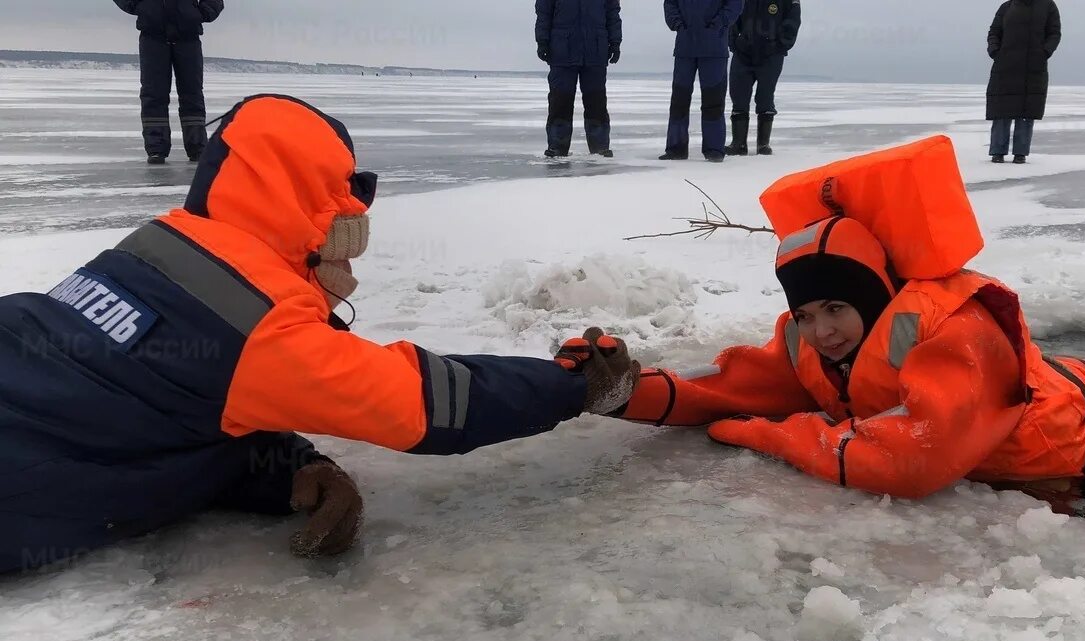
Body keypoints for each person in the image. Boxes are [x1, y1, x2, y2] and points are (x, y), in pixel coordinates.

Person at [0, 94, 641, 574]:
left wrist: (289, 469)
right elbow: (424, 403)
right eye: (342, 247)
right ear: (315, 223)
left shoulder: (161, 248)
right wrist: (573, 384)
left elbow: (169, 406)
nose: (347, 272)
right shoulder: (257, 323)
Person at [574, 136, 1085, 499]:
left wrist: (778, 437)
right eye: (808, 312)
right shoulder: (809, 343)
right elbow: (734, 388)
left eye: (838, 308)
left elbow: (914, 460)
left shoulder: (952, 333)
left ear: (877, 300)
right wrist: (629, 392)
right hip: (1072, 390)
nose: (822, 330)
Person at [113, 0, 224, 164]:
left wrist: (201, 13)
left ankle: (197, 147)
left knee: (192, 93)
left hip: (188, 36)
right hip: (153, 36)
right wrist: (140, 7)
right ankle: (156, 148)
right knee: (153, 93)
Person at [535, 0, 623, 158]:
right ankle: (557, 147)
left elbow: (613, 13)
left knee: (596, 102)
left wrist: (615, 42)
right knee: (560, 101)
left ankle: (600, 147)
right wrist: (543, 41)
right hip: (562, 50)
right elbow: (543, 12)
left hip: (595, 51)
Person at [661, 0, 745, 163]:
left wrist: (719, 23)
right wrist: (677, 23)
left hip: (714, 48)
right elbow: (670, 4)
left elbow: (735, 5)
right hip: (685, 47)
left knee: (713, 101)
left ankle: (714, 149)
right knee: (679, 100)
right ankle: (676, 148)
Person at [986, 0, 1061, 164]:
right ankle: (997, 151)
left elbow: (1054, 33)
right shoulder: (1007, 7)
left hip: (1033, 67)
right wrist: (995, 51)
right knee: (1001, 109)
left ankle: (1020, 153)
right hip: (1005, 65)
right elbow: (994, 32)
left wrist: (1043, 52)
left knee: (1026, 110)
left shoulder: (1047, 6)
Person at [726, 0, 802, 157]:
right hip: (743, 52)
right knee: (738, 96)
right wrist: (734, 42)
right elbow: (731, 14)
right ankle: (738, 144)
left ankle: (763, 144)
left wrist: (780, 44)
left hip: (771, 54)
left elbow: (793, 19)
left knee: (765, 97)